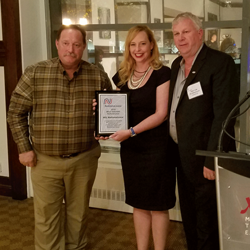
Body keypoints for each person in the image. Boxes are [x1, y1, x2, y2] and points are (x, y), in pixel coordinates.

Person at [7, 24, 112, 250]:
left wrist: (104, 126)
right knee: (46, 217)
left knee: (79, 214)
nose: (70, 49)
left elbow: (109, 111)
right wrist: (24, 148)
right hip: (45, 161)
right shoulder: (35, 73)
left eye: (76, 44)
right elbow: (15, 112)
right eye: (65, 43)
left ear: (84, 46)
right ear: (57, 44)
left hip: (84, 159)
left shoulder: (98, 75)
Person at [96, 25, 176, 250]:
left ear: (152, 44)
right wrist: (103, 119)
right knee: (139, 203)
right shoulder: (122, 75)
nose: (138, 49)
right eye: (132, 44)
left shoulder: (163, 73)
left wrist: (130, 131)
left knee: (158, 205)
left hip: (158, 147)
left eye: (142, 43)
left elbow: (161, 114)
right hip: (132, 149)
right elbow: (119, 111)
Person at [169, 12, 239, 250]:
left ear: (200, 33)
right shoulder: (175, 66)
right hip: (182, 156)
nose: (180, 38)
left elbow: (224, 116)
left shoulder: (219, 63)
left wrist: (212, 158)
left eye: (186, 32)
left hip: (205, 160)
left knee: (208, 220)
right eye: (176, 33)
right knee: (188, 215)